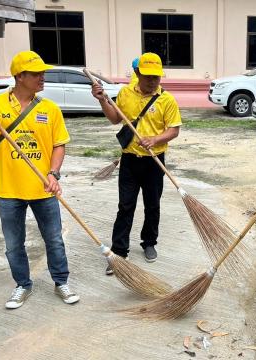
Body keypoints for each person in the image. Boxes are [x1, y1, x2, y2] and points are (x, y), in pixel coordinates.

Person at [0, 50, 79, 309]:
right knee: (13, 244)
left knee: (54, 239)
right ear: (19, 76)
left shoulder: (49, 109)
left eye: (43, 72)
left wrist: (53, 174)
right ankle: (22, 285)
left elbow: (59, 145)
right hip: (9, 190)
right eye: (36, 74)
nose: (42, 77)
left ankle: (61, 281)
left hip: (43, 187)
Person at [91, 52, 181, 272]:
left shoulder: (166, 100)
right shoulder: (125, 94)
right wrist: (103, 100)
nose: (152, 81)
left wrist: (155, 139)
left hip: (154, 161)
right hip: (130, 160)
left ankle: (149, 242)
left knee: (153, 205)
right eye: (148, 76)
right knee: (125, 206)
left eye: (156, 77)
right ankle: (119, 252)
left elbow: (174, 130)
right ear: (138, 73)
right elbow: (114, 119)